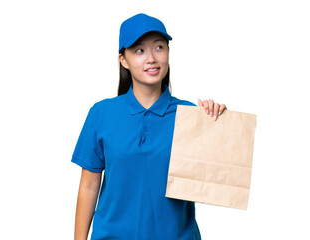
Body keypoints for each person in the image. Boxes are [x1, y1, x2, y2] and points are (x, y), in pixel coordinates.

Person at [72, 13, 227, 240]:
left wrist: (216, 123)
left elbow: (214, 179)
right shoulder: (102, 114)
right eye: (139, 50)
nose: (151, 58)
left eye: (159, 47)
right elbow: (88, 187)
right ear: (123, 60)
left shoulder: (190, 115)